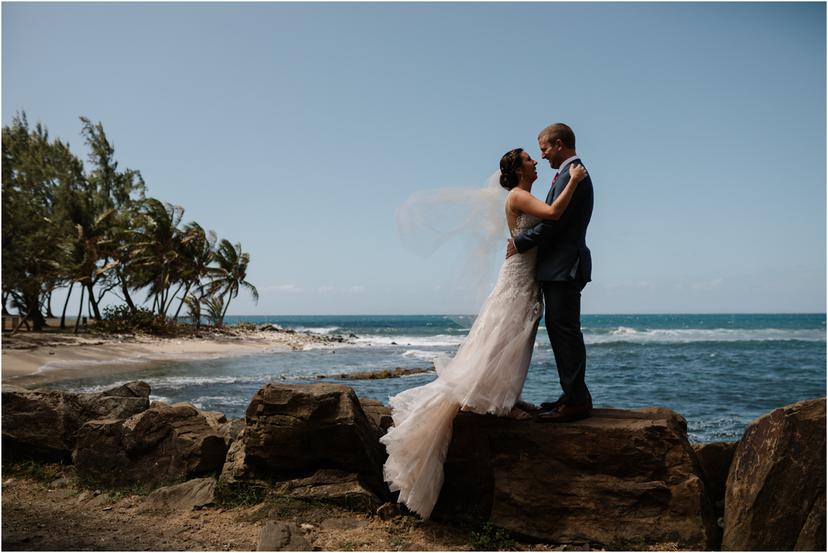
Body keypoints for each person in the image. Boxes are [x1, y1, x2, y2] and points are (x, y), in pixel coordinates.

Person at [381, 147, 588, 519]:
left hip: (526, 277)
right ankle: (491, 396)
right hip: (518, 278)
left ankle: (504, 395)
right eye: (529, 158)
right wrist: (572, 180)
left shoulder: (526, 195)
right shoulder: (519, 195)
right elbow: (555, 216)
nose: (535, 161)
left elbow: (542, 228)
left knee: (513, 337)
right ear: (518, 169)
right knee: (501, 334)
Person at [507, 122, 594, 423]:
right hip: (558, 267)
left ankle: (577, 400)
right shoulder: (567, 175)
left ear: (559, 144)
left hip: (564, 267)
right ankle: (572, 394)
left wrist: (520, 242)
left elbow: (554, 222)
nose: (542, 156)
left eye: (544, 148)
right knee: (561, 331)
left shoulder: (575, 175)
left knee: (565, 331)